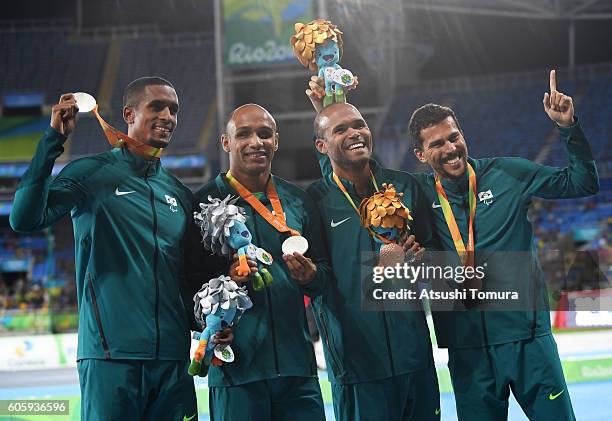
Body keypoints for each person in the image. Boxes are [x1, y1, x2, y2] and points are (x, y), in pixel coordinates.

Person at [10, 77, 229, 421]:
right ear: (129, 113)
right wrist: (53, 141)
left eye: (173, 109)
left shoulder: (180, 194)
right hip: (111, 358)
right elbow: (23, 218)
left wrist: (210, 321)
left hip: (172, 362)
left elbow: (185, 278)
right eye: (156, 106)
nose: (168, 116)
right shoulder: (91, 173)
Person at [407, 70, 599, 420]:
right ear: (421, 155)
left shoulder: (507, 173)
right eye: (437, 144)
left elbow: (583, 182)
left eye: (454, 137)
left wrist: (568, 127)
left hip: (527, 340)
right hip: (468, 349)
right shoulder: (416, 195)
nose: (450, 148)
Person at [306, 101, 441, 420]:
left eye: (359, 124)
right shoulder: (313, 201)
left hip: (415, 360)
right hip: (358, 366)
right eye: (340, 129)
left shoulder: (405, 185)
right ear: (321, 146)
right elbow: (318, 279)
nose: (355, 132)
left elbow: (434, 255)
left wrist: (421, 259)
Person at [195, 103, 328, 421]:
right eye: (244, 134)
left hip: (298, 371)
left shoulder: (299, 200)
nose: (256, 142)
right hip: (237, 372)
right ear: (226, 143)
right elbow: (187, 284)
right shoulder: (203, 203)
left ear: (276, 141)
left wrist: (311, 276)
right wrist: (208, 317)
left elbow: (325, 274)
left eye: (265, 134)